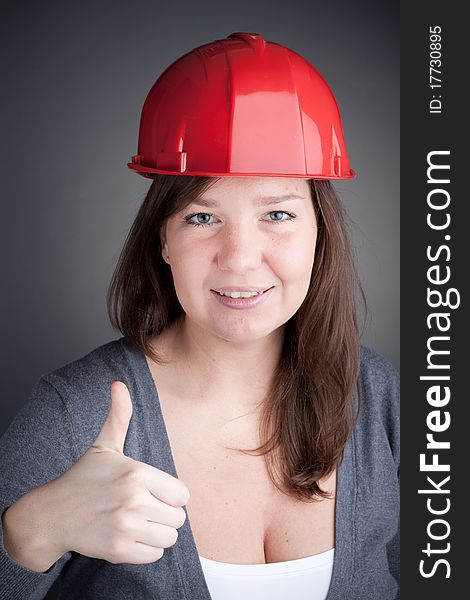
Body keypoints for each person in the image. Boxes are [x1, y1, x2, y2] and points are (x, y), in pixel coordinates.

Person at [0, 32, 399, 600]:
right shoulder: (73, 413)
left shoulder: (381, 396)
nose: (239, 257)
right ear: (162, 239)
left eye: (278, 213)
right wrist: (29, 531)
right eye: (201, 218)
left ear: (320, 236)